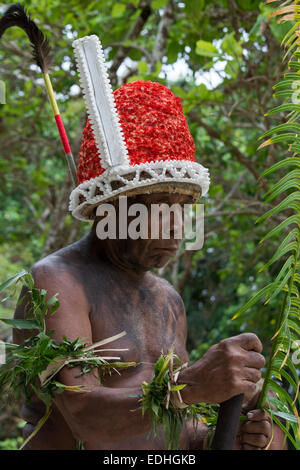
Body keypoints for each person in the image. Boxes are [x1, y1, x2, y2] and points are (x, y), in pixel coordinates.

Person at [13, 76, 286, 450]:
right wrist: (191, 385)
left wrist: (239, 437)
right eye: (161, 208)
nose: (177, 227)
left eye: (185, 209)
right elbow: (82, 416)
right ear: (110, 208)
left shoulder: (167, 299)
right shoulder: (57, 283)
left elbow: (176, 427)